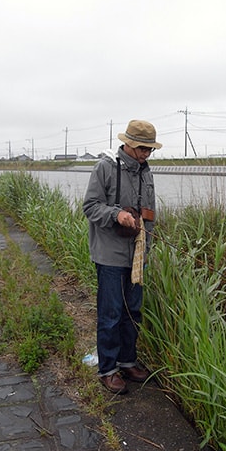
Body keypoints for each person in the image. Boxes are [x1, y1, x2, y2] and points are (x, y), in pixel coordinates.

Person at [82, 119, 162, 394]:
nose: (146, 154)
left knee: (133, 312)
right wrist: (117, 214)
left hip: (137, 256)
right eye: (142, 148)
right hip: (110, 256)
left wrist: (146, 252)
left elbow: (150, 215)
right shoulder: (105, 167)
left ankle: (128, 361)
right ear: (127, 144)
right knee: (111, 313)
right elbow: (90, 206)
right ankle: (108, 369)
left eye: (150, 150)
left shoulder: (146, 172)